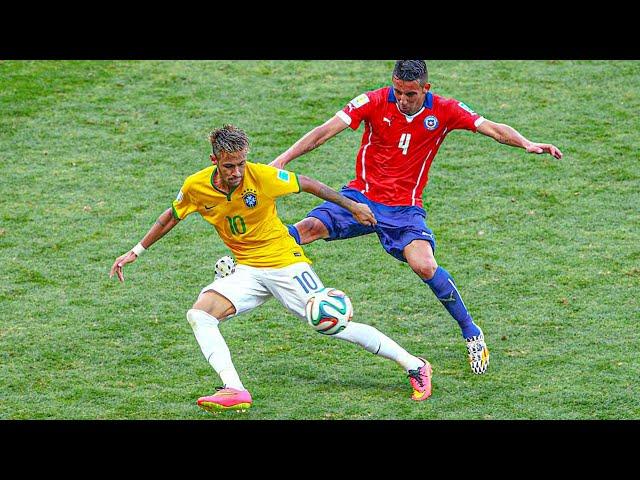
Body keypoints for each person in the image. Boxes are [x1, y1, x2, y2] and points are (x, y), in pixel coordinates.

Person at [110, 124, 434, 413]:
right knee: (200, 315)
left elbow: (307, 183)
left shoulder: (261, 176)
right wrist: (136, 251)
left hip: (285, 263)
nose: (237, 171)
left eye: (240, 163)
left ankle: (414, 365)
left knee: (332, 325)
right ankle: (234, 389)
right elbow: (171, 216)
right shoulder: (196, 187)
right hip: (248, 270)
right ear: (214, 161)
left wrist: (353, 206)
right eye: (229, 166)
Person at [269, 60, 564, 375]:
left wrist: (526, 143)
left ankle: (471, 331)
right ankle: (245, 259)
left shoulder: (446, 111)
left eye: (410, 94)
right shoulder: (373, 100)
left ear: (426, 88)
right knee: (309, 228)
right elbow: (324, 132)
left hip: (404, 209)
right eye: (398, 91)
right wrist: (284, 158)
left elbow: (492, 128)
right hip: (361, 197)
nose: (402, 99)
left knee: (424, 264)